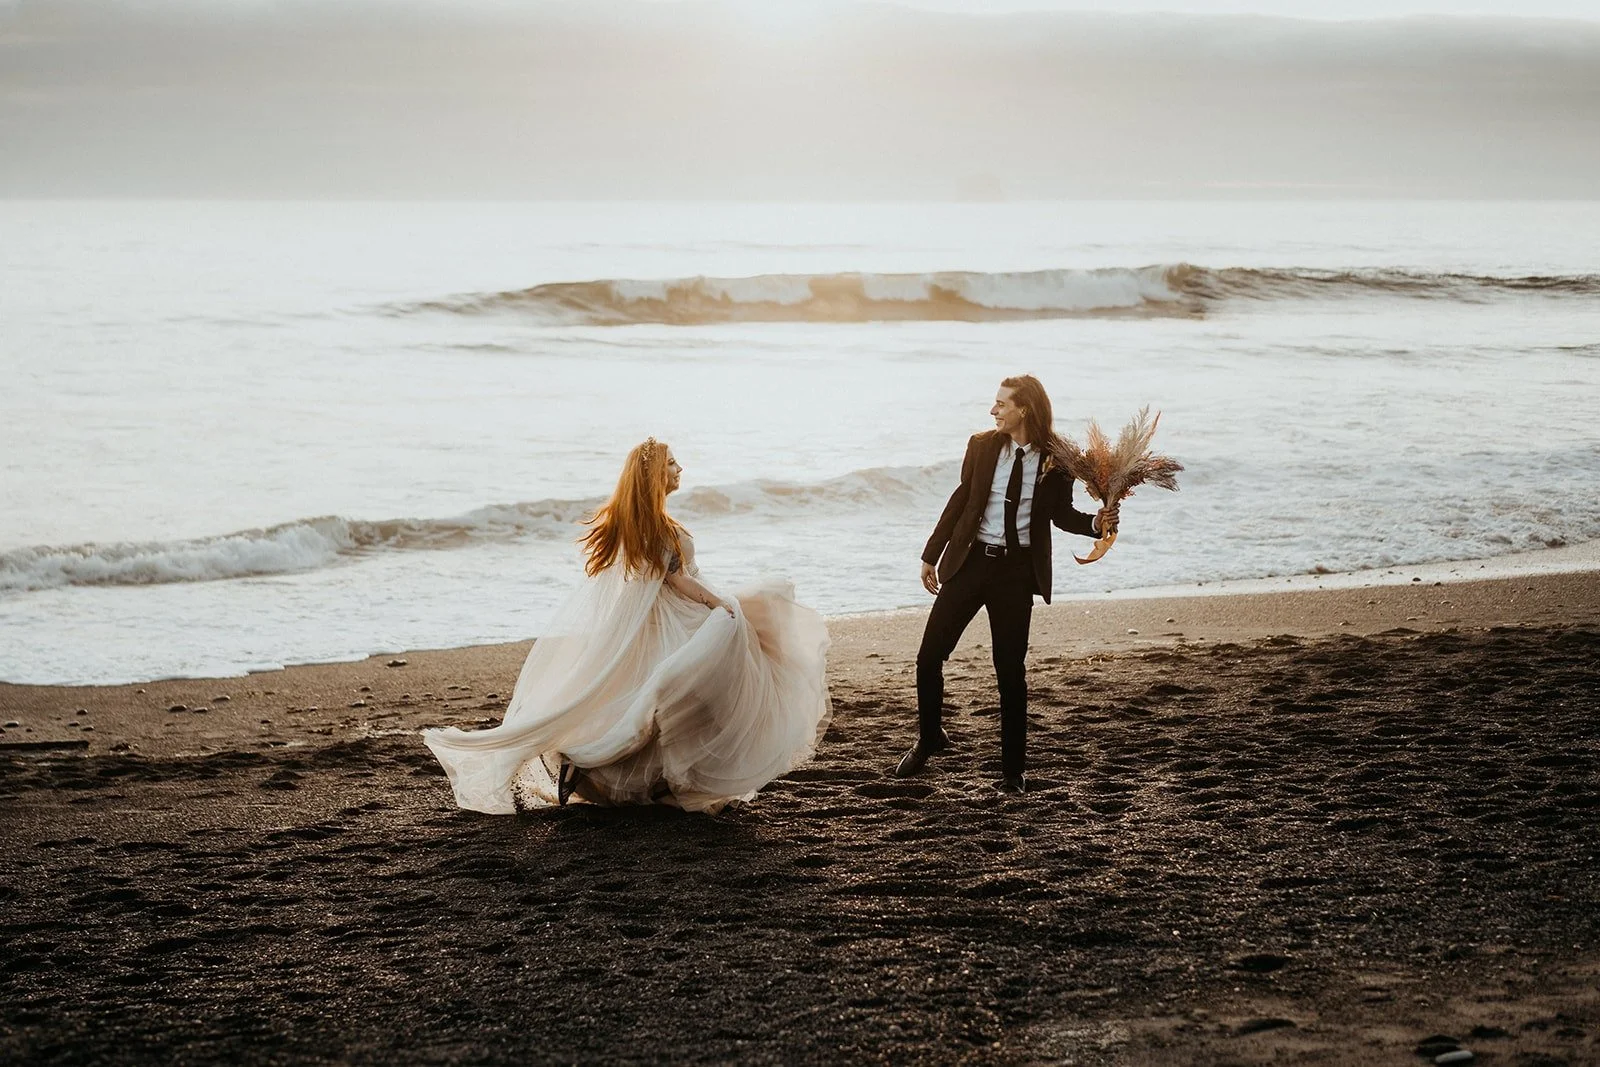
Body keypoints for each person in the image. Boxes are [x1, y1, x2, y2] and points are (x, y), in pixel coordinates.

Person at [423, 438, 831, 815]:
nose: (680, 468)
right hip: (674, 617)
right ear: (656, 476)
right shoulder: (656, 525)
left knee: (665, 703)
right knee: (678, 697)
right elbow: (674, 578)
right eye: (672, 463)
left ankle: (647, 780)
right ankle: (594, 765)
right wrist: (717, 603)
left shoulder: (649, 520)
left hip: (665, 618)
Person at [897, 375, 1118, 794]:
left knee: (1010, 673)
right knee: (929, 657)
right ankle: (929, 737)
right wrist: (931, 554)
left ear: (1025, 410)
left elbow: (1061, 514)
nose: (993, 410)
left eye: (1001, 404)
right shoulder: (982, 446)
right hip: (970, 563)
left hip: (1016, 574)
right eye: (994, 403)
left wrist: (1095, 523)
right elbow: (961, 499)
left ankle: (1012, 772)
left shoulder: (1057, 458)